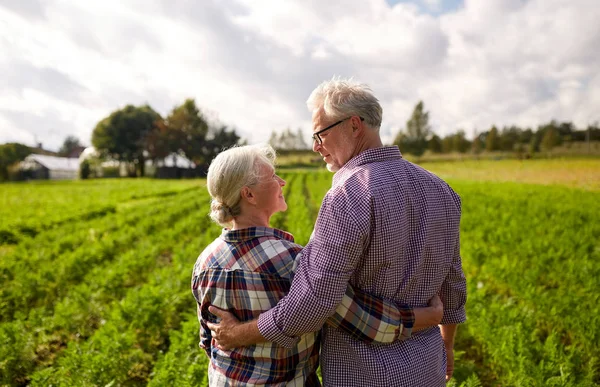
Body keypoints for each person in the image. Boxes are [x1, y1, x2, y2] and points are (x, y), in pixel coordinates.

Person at [207, 79, 467, 386]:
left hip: (364, 374)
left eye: (320, 134)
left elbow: (316, 299)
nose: (316, 146)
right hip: (427, 368)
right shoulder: (441, 189)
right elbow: (453, 282)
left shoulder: (350, 192)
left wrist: (239, 333)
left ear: (354, 125)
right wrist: (446, 344)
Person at [192, 144, 444, 386]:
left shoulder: (204, 262)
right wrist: (419, 318)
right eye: (272, 176)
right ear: (249, 194)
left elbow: (208, 341)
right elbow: (359, 319)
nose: (282, 182)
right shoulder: (292, 261)